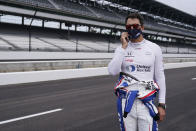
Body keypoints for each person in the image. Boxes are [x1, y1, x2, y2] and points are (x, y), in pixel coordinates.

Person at [108, 12, 166, 131]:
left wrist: (161, 104)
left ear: (142, 27)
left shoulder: (154, 48)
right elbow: (112, 71)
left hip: (146, 102)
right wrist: (123, 47)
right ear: (126, 29)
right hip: (125, 102)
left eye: (135, 26)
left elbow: (160, 77)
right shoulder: (121, 49)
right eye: (129, 27)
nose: (132, 29)